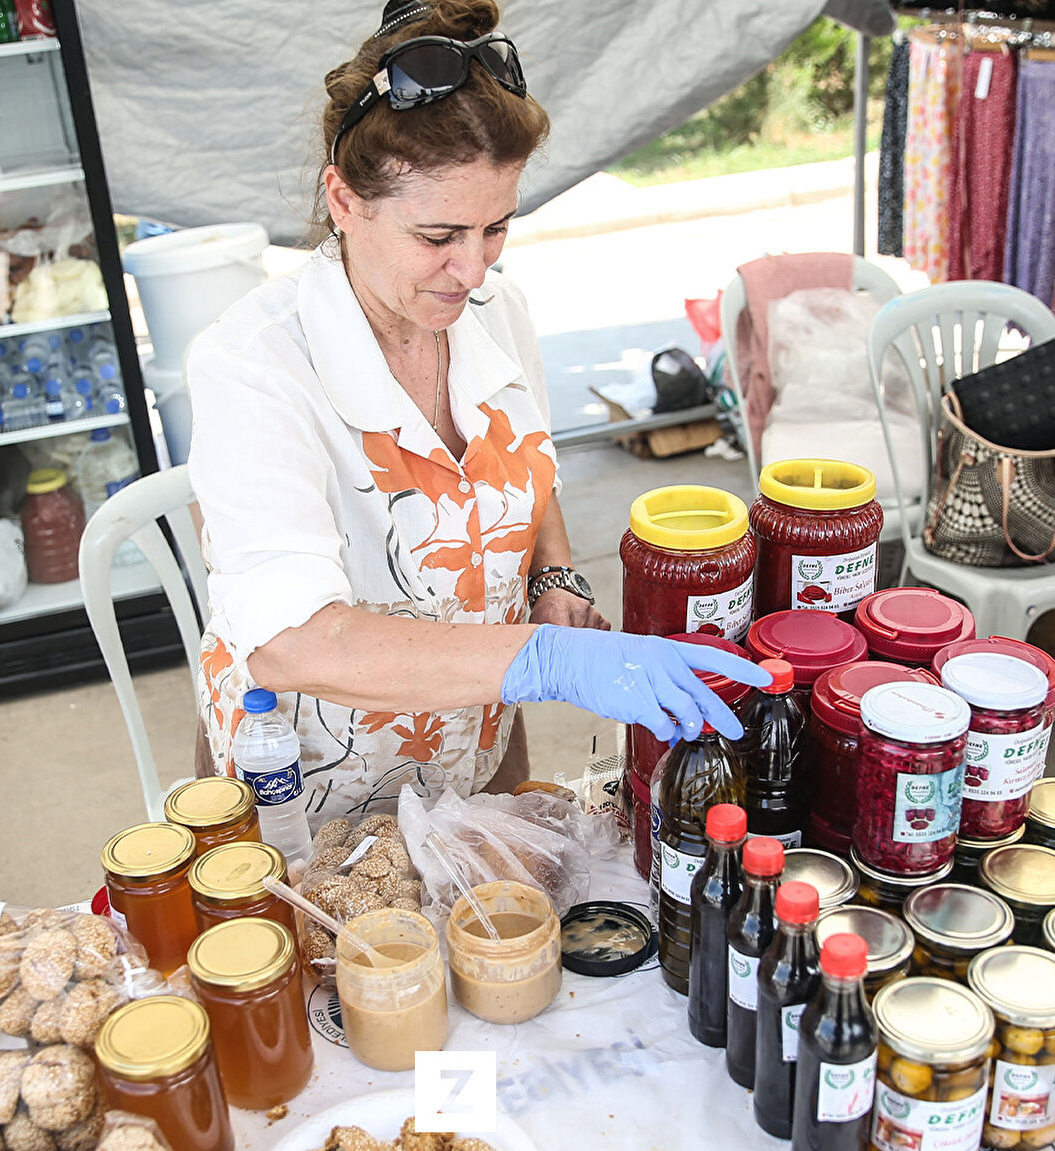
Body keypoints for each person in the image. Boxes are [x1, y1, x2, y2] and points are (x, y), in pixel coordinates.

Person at [187, 0, 768, 815]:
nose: (471, 269)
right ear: (344, 200)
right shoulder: (253, 366)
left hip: (478, 734)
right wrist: (546, 659)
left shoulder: (498, 311)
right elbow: (290, 643)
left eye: (496, 227)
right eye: (437, 236)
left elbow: (531, 468)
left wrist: (554, 573)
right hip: (311, 779)